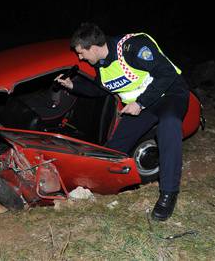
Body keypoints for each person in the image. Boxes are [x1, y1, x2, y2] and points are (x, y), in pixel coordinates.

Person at [55, 22, 189, 221]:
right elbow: (101, 90)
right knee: (114, 148)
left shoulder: (133, 47)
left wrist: (141, 103)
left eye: (81, 53)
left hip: (169, 94)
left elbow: (167, 73)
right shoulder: (102, 64)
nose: (80, 58)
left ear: (93, 47)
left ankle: (169, 193)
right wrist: (73, 85)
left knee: (168, 126)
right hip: (143, 105)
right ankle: (98, 186)